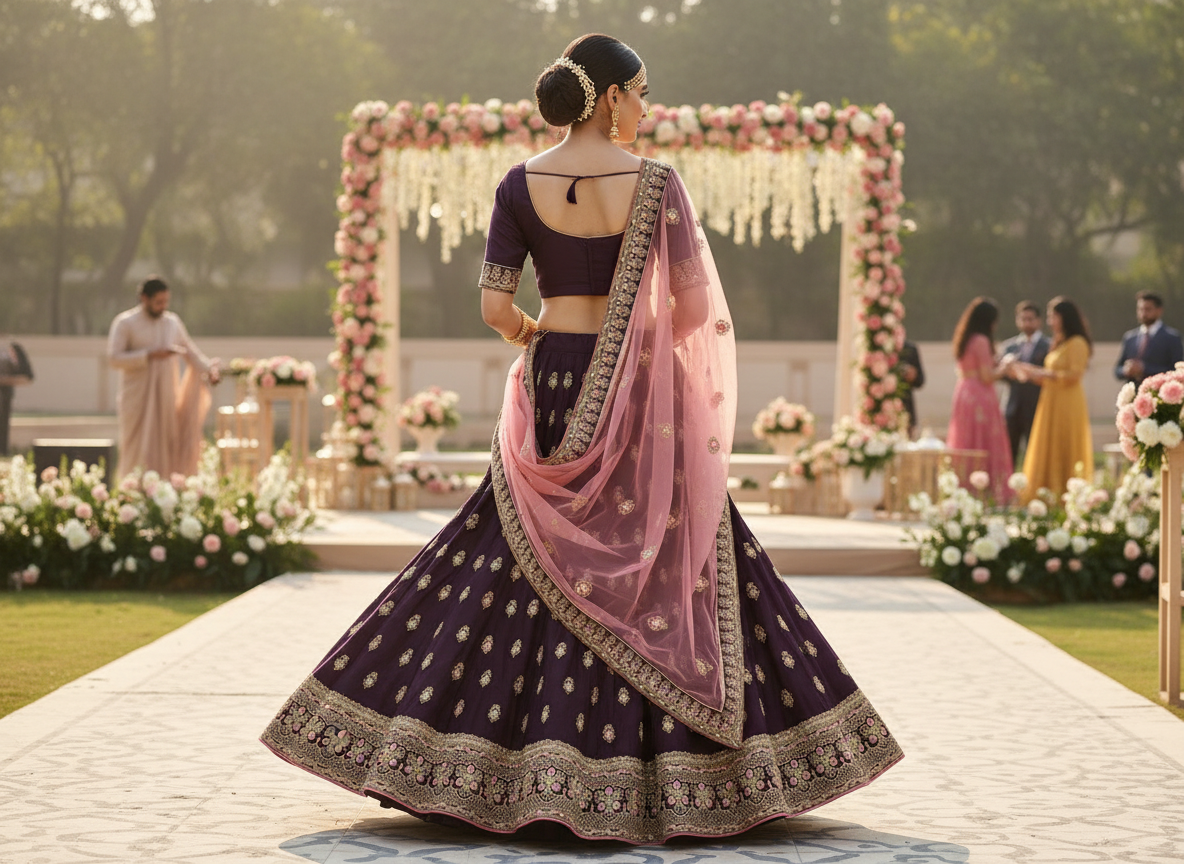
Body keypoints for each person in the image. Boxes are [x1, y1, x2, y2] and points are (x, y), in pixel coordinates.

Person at [260, 35, 901, 845]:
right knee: (669, 541)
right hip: (638, 388)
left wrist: (536, 335)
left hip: (554, 371)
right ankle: (697, 770)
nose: (644, 107)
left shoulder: (519, 183)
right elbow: (696, 315)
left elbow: (495, 308)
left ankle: (472, 758)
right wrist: (634, 350)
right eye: (638, 92)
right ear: (605, 97)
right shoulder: (659, 186)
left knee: (513, 544)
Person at [107, 276, 219, 478]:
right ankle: (132, 495)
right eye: (158, 302)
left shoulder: (172, 322)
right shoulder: (125, 323)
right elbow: (114, 358)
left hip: (166, 396)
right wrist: (149, 355)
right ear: (144, 298)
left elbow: (190, 352)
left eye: (166, 302)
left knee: (166, 443)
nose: (163, 306)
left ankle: (164, 494)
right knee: (135, 446)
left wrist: (209, 370)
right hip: (136, 397)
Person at [1014, 296, 1094, 500]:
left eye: (1053, 316)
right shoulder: (1060, 343)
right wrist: (1030, 372)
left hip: (1067, 402)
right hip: (1051, 400)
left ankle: (1066, 495)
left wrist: (1041, 374)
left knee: (1064, 443)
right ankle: (1046, 494)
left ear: (1064, 317)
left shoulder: (1077, 343)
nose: (1050, 321)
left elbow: (1074, 375)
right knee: (1049, 445)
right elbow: (1050, 374)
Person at [945, 298, 1013, 501]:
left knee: (967, 440)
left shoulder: (965, 339)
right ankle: (986, 491)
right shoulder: (981, 341)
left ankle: (964, 487)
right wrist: (1005, 368)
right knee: (983, 442)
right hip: (980, 395)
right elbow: (987, 376)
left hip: (964, 393)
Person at [997, 301, 1050, 465]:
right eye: (1023, 319)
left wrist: (1026, 371)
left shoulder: (1049, 345)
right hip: (1012, 407)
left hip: (1037, 405)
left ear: (1038, 321)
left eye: (1030, 319)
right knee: (1008, 452)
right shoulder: (1009, 347)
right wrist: (1010, 371)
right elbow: (1001, 375)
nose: (1027, 323)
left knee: (1034, 454)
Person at [1114, 291, 1183, 387]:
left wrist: (1144, 368)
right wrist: (1126, 370)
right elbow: (1117, 370)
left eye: (1148, 309)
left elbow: (1177, 372)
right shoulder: (1130, 337)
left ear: (1159, 310)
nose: (1143, 313)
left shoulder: (1172, 338)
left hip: (1159, 396)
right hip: (1134, 397)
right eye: (1140, 309)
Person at [0, 336, 34, 455]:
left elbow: (27, 377)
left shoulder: (8, 360)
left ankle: (3, 449)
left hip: (5, 396)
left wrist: (5, 380)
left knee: (3, 424)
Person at [897, 339, 925, 437]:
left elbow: (920, 381)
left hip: (906, 406)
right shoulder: (880, 349)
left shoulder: (910, 349)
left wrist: (913, 375)